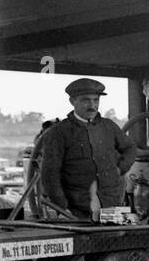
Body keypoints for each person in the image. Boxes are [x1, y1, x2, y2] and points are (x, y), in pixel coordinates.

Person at [39, 78, 137, 220]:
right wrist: (62, 207)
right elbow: (50, 174)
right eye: (86, 100)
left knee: (118, 237)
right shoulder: (58, 132)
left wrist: (120, 169)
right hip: (79, 210)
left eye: (96, 100)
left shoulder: (109, 126)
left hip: (113, 205)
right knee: (85, 241)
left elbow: (130, 148)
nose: (92, 105)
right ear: (72, 101)